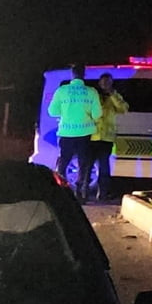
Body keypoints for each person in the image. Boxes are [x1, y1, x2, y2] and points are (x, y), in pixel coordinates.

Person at [47, 63, 102, 202]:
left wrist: (66, 112)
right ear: (84, 74)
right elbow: (97, 114)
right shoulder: (92, 92)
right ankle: (80, 192)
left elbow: (52, 112)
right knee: (84, 163)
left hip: (66, 133)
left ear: (72, 74)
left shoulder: (62, 90)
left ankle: (61, 191)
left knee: (64, 162)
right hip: (84, 134)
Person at [90, 73, 129, 201]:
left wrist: (112, 94)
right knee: (87, 166)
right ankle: (83, 192)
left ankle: (102, 194)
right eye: (103, 82)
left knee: (104, 167)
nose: (105, 85)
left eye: (108, 82)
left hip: (106, 138)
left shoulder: (114, 96)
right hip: (92, 136)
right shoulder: (93, 95)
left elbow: (124, 109)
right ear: (99, 83)